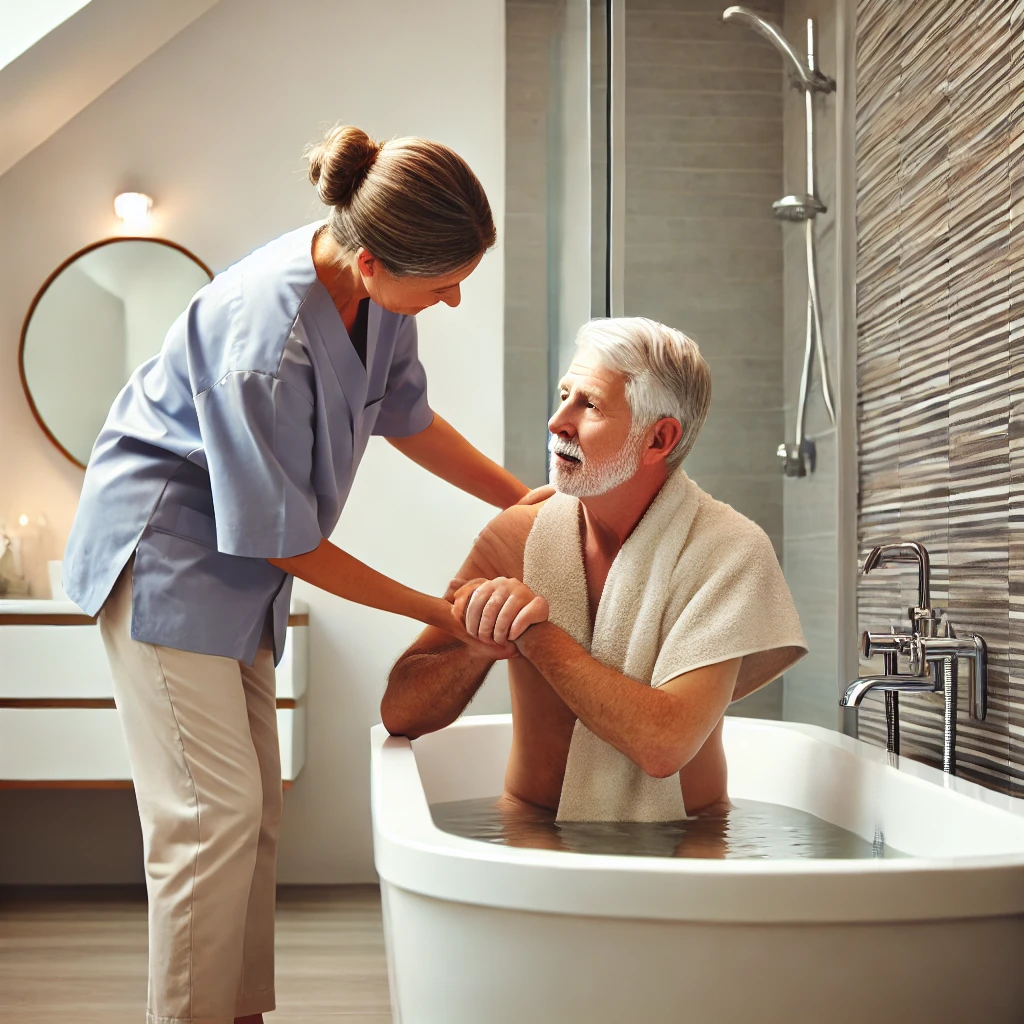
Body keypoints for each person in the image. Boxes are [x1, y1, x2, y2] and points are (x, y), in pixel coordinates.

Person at [63, 124, 543, 1024]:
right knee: (207, 820)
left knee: (252, 812)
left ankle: (238, 1011)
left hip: (234, 568)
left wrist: (523, 499)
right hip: (164, 558)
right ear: (374, 266)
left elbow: (409, 419)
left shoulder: (378, 297)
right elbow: (283, 538)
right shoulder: (267, 338)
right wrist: (445, 612)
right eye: (444, 285)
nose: (453, 300)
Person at [382, 317, 807, 825]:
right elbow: (400, 713)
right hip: (532, 827)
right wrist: (474, 648)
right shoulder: (520, 534)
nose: (557, 420)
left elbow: (663, 746)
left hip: (689, 836)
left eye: (589, 404)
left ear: (659, 439)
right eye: (565, 394)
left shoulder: (728, 551)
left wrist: (534, 634)